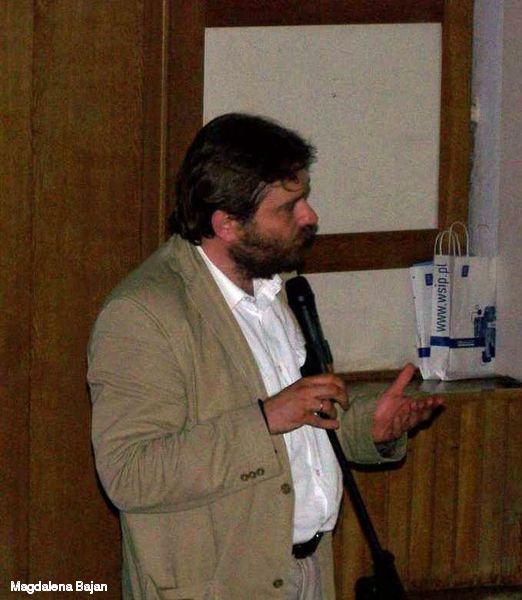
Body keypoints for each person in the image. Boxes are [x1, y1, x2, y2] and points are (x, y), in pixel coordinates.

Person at [87, 113, 441, 600]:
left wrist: (370, 428)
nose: (310, 217)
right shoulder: (145, 314)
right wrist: (266, 418)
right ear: (227, 224)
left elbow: (303, 430)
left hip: (307, 572)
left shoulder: (276, 290)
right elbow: (130, 473)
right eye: (288, 207)